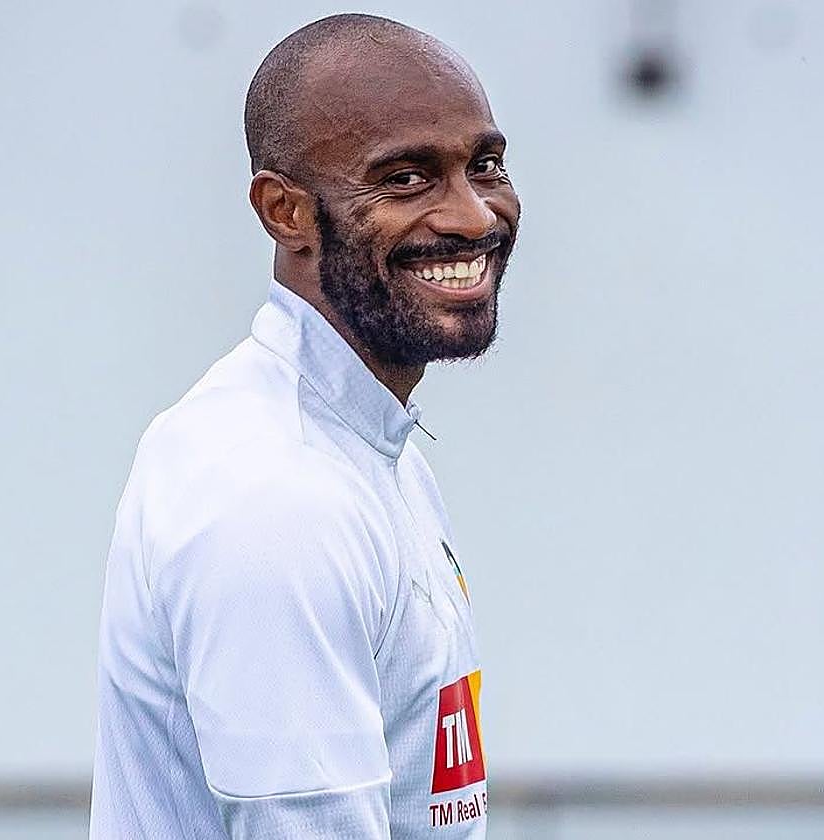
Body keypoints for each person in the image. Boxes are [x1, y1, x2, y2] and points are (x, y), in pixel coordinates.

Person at [90, 12, 520, 838]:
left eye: (485, 165)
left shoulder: (367, 449)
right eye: (406, 178)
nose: (472, 217)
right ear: (284, 211)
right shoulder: (273, 490)